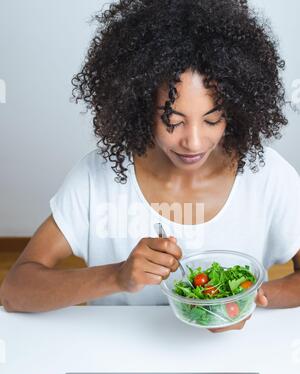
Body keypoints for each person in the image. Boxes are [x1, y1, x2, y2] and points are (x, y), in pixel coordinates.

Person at [1, 0, 300, 333]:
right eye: (173, 121)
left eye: (212, 119)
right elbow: (15, 291)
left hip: (234, 360)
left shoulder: (268, 176)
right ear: (140, 106)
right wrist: (116, 276)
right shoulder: (99, 179)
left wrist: (239, 302)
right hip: (118, 365)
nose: (195, 142)